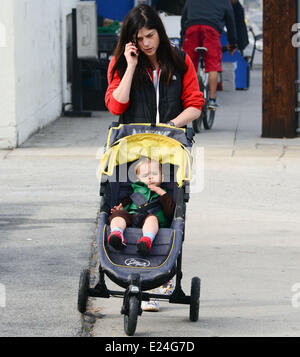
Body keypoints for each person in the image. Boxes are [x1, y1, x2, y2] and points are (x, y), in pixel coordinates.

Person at [105, 4, 204, 128]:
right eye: (139, 39)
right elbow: (116, 108)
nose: (146, 43)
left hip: (170, 141)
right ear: (131, 40)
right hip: (134, 142)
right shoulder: (121, 62)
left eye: (150, 35)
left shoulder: (179, 59)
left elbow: (195, 106)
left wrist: (170, 126)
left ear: (159, 32)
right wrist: (131, 67)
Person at [107, 157, 175, 256]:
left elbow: (170, 213)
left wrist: (162, 193)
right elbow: (126, 204)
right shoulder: (134, 191)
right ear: (139, 179)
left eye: (154, 174)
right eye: (145, 175)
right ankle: (116, 234)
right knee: (118, 216)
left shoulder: (164, 196)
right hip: (132, 217)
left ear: (162, 177)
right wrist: (120, 209)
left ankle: (146, 240)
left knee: (152, 219)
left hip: (151, 220)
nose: (150, 177)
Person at [181, 0, 238, 110]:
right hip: (211, 30)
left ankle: (183, 97)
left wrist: (183, 38)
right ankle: (212, 100)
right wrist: (233, 43)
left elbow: (184, 19)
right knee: (213, 66)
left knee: (187, 65)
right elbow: (231, 23)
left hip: (192, 28)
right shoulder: (225, 2)